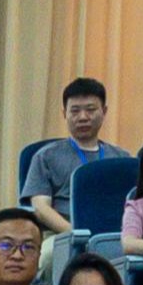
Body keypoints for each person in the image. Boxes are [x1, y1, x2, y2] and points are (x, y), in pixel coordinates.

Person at [18, 78, 120, 222]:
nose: (83, 117)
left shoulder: (121, 158)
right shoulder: (46, 156)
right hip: (61, 233)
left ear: (104, 111)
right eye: (75, 111)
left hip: (113, 234)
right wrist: (74, 234)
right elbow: (41, 208)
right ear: (64, 113)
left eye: (91, 110)